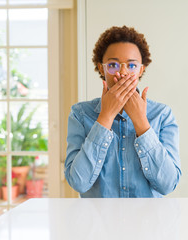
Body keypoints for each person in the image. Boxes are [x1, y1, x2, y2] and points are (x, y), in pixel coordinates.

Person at [65, 26, 181, 198]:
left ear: (141, 70)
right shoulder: (80, 114)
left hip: (149, 222)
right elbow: (78, 182)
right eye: (113, 65)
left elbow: (168, 184)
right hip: (98, 223)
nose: (123, 72)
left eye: (132, 65)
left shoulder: (162, 115)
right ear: (101, 68)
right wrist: (105, 117)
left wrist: (141, 122)